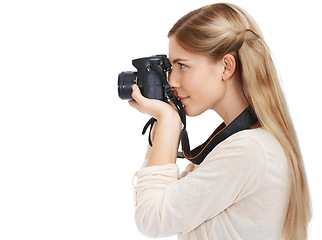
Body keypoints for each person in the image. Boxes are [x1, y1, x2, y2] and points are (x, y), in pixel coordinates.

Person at [129, 3, 312, 240]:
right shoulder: (245, 143)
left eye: (182, 65)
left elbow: (152, 220)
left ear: (226, 67)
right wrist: (162, 125)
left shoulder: (248, 151)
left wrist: (168, 121)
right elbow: (158, 202)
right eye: (170, 67)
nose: (171, 80)